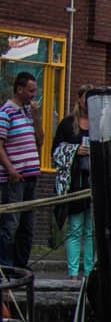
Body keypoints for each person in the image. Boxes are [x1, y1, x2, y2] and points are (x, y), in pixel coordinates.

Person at [0, 71, 42, 271]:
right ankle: (6, 268)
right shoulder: (6, 112)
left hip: (32, 176)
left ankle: (21, 268)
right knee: (11, 225)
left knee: (27, 227)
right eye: (31, 90)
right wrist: (11, 170)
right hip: (16, 179)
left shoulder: (28, 112)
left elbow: (40, 141)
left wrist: (36, 118)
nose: (34, 95)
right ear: (20, 89)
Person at [50, 88, 94, 278]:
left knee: (91, 231)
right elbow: (55, 152)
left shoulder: (100, 124)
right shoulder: (67, 124)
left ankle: (91, 271)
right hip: (75, 183)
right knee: (75, 228)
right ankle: (73, 272)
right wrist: (75, 150)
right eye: (86, 98)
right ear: (79, 99)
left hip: (94, 183)